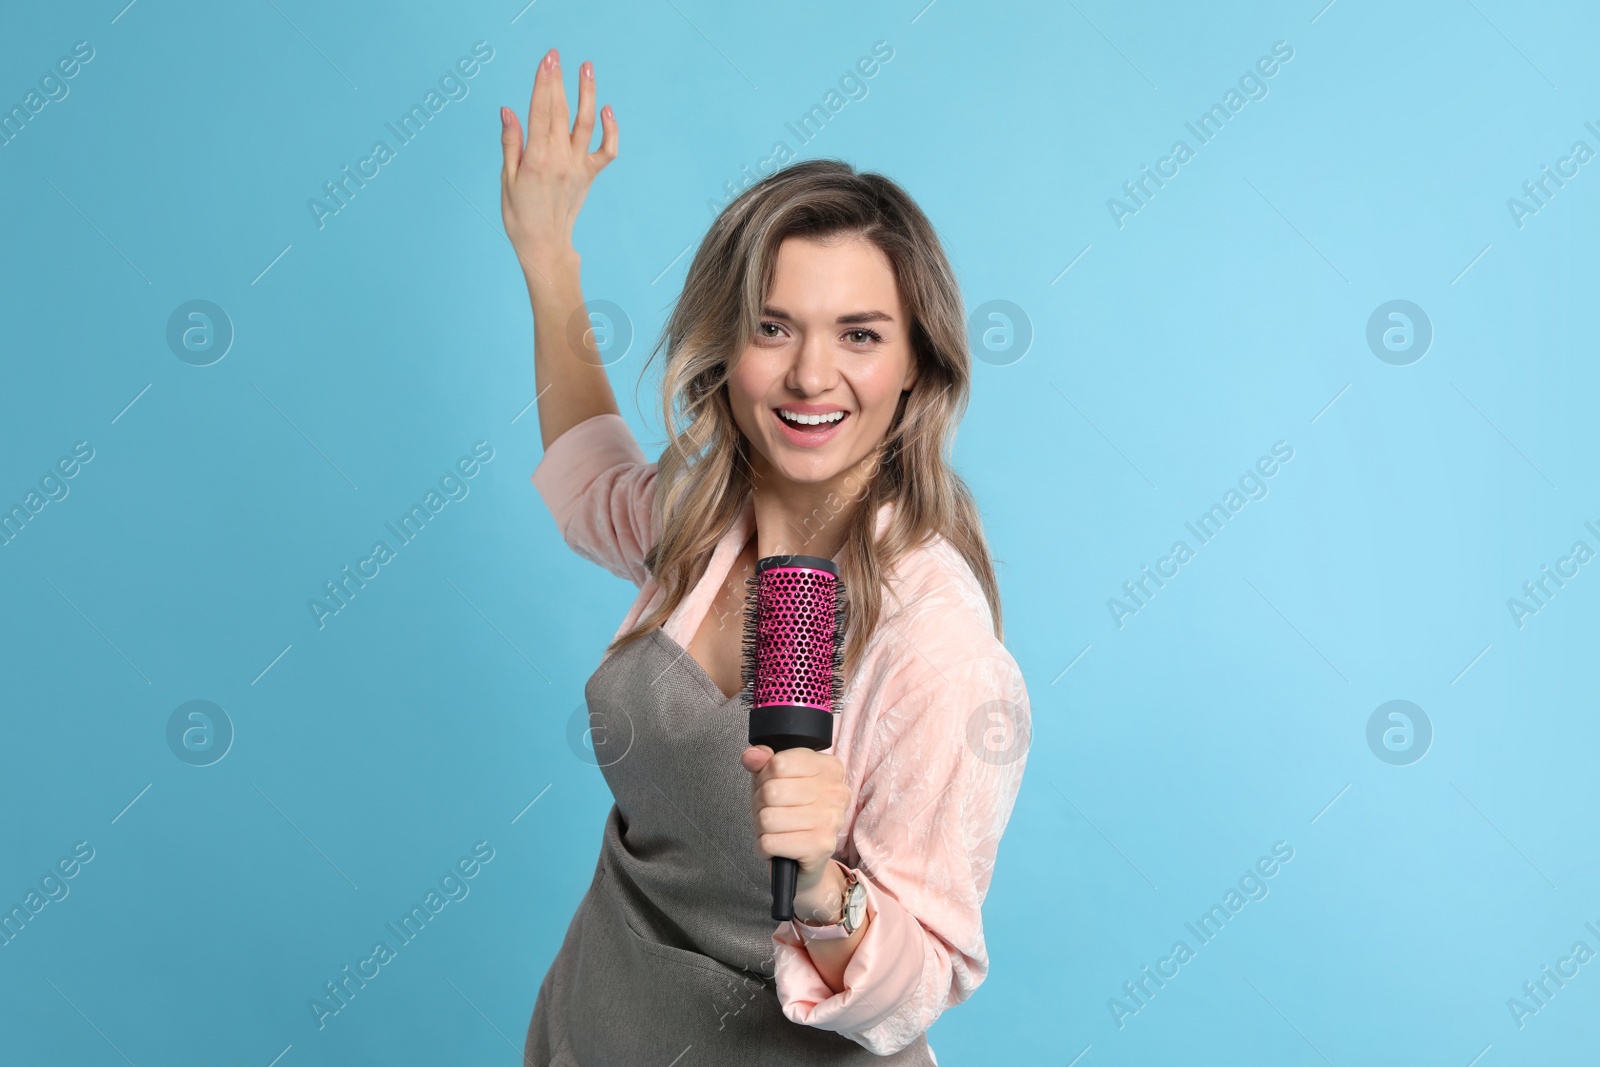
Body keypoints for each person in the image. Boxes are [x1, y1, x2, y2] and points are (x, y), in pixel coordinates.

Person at [501, 46, 1031, 1066]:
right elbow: (587, 478)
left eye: (860, 333)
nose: (810, 372)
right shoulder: (708, 520)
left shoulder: (937, 648)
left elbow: (926, 974)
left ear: (918, 359)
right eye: (772, 325)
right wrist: (547, 255)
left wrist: (830, 887)